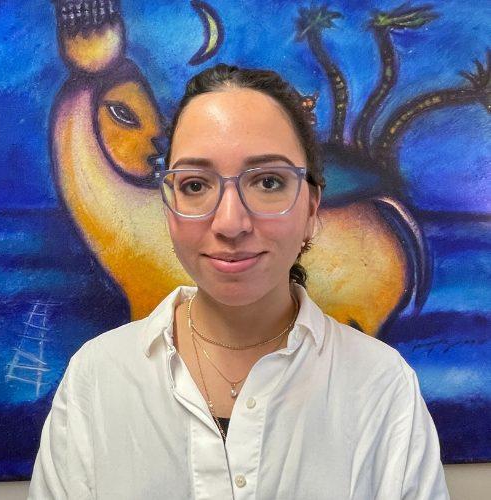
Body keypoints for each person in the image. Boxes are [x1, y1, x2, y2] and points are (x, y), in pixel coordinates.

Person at [28, 64, 449, 499]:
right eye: (195, 185)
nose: (230, 223)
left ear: (311, 209)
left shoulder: (381, 385)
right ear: (169, 207)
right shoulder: (98, 378)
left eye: (268, 182)